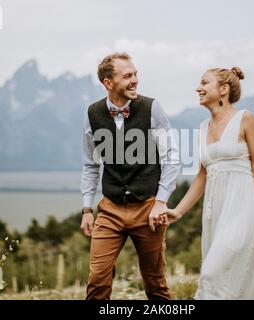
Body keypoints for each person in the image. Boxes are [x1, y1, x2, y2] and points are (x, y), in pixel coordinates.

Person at [164, 67, 254, 299]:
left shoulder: (246, 119)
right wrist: (178, 212)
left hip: (243, 208)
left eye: (205, 83)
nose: (198, 87)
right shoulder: (201, 129)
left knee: (211, 275)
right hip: (215, 212)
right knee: (228, 278)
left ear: (223, 90)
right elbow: (202, 176)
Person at [80, 52, 180, 300]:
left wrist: (160, 202)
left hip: (148, 207)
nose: (135, 80)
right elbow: (90, 165)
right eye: (127, 76)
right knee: (97, 281)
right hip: (110, 209)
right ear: (108, 83)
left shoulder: (152, 108)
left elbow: (171, 158)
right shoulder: (92, 114)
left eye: (135, 74)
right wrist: (86, 209)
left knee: (155, 282)